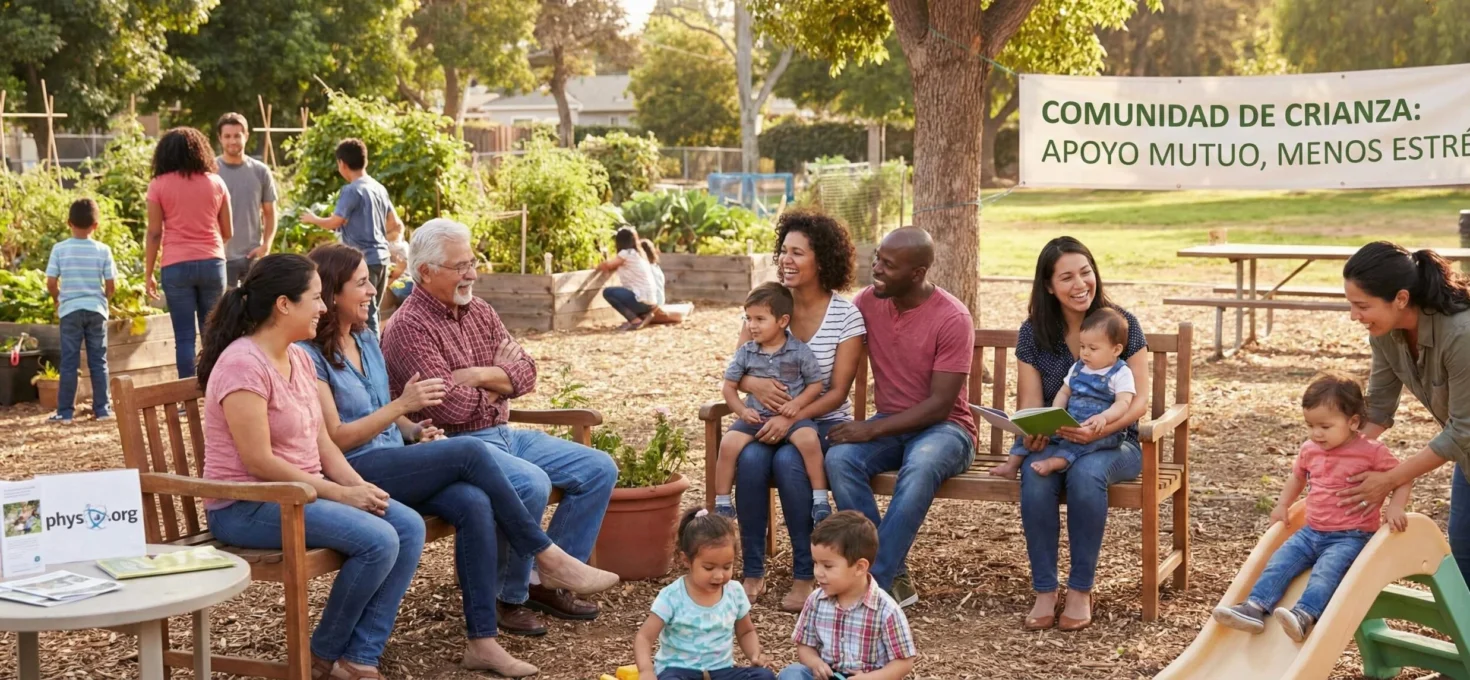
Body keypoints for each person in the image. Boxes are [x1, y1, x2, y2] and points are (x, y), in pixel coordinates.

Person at [302, 244, 619, 677]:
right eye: (361, 283)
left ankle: (482, 642)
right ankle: (546, 555)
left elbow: (405, 413)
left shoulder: (365, 338)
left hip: (394, 456)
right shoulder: (311, 356)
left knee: (473, 501)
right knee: (469, 451)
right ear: (332, 293)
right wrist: (403, 409)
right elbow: (336, 436)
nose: (372, 292)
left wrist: (415, 429)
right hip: (353, 471)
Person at [381, 218, 617, 636]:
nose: (471, 274)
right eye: (460, 266)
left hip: (504, 433)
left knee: (598, 468)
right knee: (531, 484)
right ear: (426, 272)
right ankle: (507, 599)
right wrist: (498, 381)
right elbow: (450, 408)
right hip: (454, 446)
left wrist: (476, 374)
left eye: (472, 262)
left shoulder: (481, 311)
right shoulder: (408, 328)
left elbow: (526, 372)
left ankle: (545, 581)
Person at [197, 254, 420, 680]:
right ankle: (320, 657)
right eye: (316, 298)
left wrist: (361, 489)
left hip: (301, 495)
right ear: (284, 304)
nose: (323, 307)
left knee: (405, 525)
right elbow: (258, 460)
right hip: (249, 505)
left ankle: (360, 657)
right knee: (379, 541)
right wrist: (338, 493)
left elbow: (323, 442)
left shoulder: (298, 358)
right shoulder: (243, 364)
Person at [989, 236, 1150, 633]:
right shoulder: (1034, 333)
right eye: (1067, 277)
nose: (1080, 284)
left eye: (1086, 272)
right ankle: (1045, 589)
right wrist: (1034, 434)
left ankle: (1080, 589)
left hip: (1117, 442)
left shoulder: (1121, 324)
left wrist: (1099, 430)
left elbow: (1139, 402)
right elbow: (1031, 404)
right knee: (1035, 474)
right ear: (1048, 286)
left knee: (1086, 474)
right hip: (1060, 440)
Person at [824, 226, 976, 609]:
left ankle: (870, 581)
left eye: (888, 265)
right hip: (893, 424)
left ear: (917, 273)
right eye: (877, 257)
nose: (876, 268)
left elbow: (941, 405)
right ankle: (891, 574)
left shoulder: (952, 318)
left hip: (947, 430)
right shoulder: (868, 303)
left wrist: (870, 428)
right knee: (840, 459)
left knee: (921, 464)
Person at [1213, 372, 1409, 642]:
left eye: (1325, 427)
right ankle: (1255, 607)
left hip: (1350, 536)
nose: (1316, 433)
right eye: (1310, 425)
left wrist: (1396, 507)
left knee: (1326, 573)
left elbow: (1403, 477)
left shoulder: (1371, 451)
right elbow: (1298, 477)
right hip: (1311, 531)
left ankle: (1305, 615)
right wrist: (1283, 504)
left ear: (1353, 422)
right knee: (1278, 563)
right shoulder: (1310, 448)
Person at [734, 209, 865, 612]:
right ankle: (753, 569)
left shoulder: (846, 316)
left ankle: (805, 573)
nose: (786, 260)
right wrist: (752, 384)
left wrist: (791, 415)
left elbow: (838, 390)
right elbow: (738, 367)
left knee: (790, 461)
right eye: (783, 252)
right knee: (752, 458)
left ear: (822, 260)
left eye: (798, 253)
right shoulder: (768, 304)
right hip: (765, 419)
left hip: (821, 423)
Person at [1335, 242, 1470, 580]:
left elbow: (1463, 431)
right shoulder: (1384, 334)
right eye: (1351, 305)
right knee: (1464, 553)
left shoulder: (1461, 335)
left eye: (1362, 306)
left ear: (1401, 298)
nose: (1354, 316)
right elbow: (1378, 408)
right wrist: (1336, 456)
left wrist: (1392, 479)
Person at [715, 283, 828, 525]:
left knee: (809, 440)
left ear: (782, 320)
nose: (751, 325)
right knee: (728, 444)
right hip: (755, 418)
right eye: (748, 318)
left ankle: (820, 500)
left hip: (792, 419)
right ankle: (722, 502)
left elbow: (816, 385)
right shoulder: (746, 353)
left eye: (759, 319)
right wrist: (742, 411)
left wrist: (796, 405)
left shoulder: (799, 351)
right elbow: (729, 387)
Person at [992, 307, 1136, 478]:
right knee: (1032, 436)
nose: (1085, 352)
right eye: (1082, 346)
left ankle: (1054, 463)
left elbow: (1123, 403)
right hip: (1071, 425)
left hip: (1101, 432)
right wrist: (1055, 413)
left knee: (1080, 446)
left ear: (1116, 350)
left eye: (1093, 348)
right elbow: (1064, 392)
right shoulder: (1079, 367)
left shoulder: (1121, 373)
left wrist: (1104, 418)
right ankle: (1011, 465)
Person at [634, 509, 775, 680]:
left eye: (727, 566)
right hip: (679, 671)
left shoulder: (734, 592)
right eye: (709, 568)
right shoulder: (672, 596)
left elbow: (746, 632)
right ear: (686, 560)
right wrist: (646, 671)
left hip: (722, 671)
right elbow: (644, 637)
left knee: (764, 676)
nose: (719, 575)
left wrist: (754, 655)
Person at [779, 511, 917, 680]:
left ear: (860, 567)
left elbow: (904, 662)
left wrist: (870, 678)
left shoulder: (886, 610)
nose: (818, 573)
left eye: (828, 566)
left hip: (868, 677)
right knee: (792, 674)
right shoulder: (816, 601)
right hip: (829, 676)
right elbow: (805, 645)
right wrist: (815, 663)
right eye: (815, 563)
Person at [144, 126, 233, 379]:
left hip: (175, 265)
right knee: (213, 334)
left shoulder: (158, 185)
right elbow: (228, 230)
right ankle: (217, 392)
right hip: (212, 262)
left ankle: (187, 398)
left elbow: (154, 233)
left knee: (183, 336)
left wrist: (148, 273)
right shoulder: (216, 182)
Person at [301, 138, 402, 334]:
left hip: (361, 261)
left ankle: (372, 357)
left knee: (365, 314)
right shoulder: (378, 188)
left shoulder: (352, 189)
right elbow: (395, 224)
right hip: (382, 258)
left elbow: (336, 221)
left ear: (342, 163)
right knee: (372, 311)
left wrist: (313, 219)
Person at [44, 198, 116, 425]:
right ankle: (102, 409)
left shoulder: (60, 249)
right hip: (96, 311)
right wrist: (104, 299)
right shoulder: (103, 250)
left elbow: (51, 282)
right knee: (98, 360)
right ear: (96, 225)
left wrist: (58, 300)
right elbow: (111, 284)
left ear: (68, 223)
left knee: (69, 361)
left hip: (70, 311)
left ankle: (65, 412)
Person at [215, 112, 277, 287]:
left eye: (237, 135)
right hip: (220, 256)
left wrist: (266, 245)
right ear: (220, 138)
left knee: (254, 311)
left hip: (252, 256)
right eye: (227, 136)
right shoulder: (211, 171)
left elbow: (270, 213)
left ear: (246, 136)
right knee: (224, 311)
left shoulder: (260, 171)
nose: (232, 141)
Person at [598, 227, 661, 330]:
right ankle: (644, 315)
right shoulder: (640, 254)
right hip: (650, 301)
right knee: (622, 292)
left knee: (608, 292)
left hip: (641, 300)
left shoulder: (626, 253)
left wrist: (597, 267)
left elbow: (607, 265)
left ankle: (635, 321)